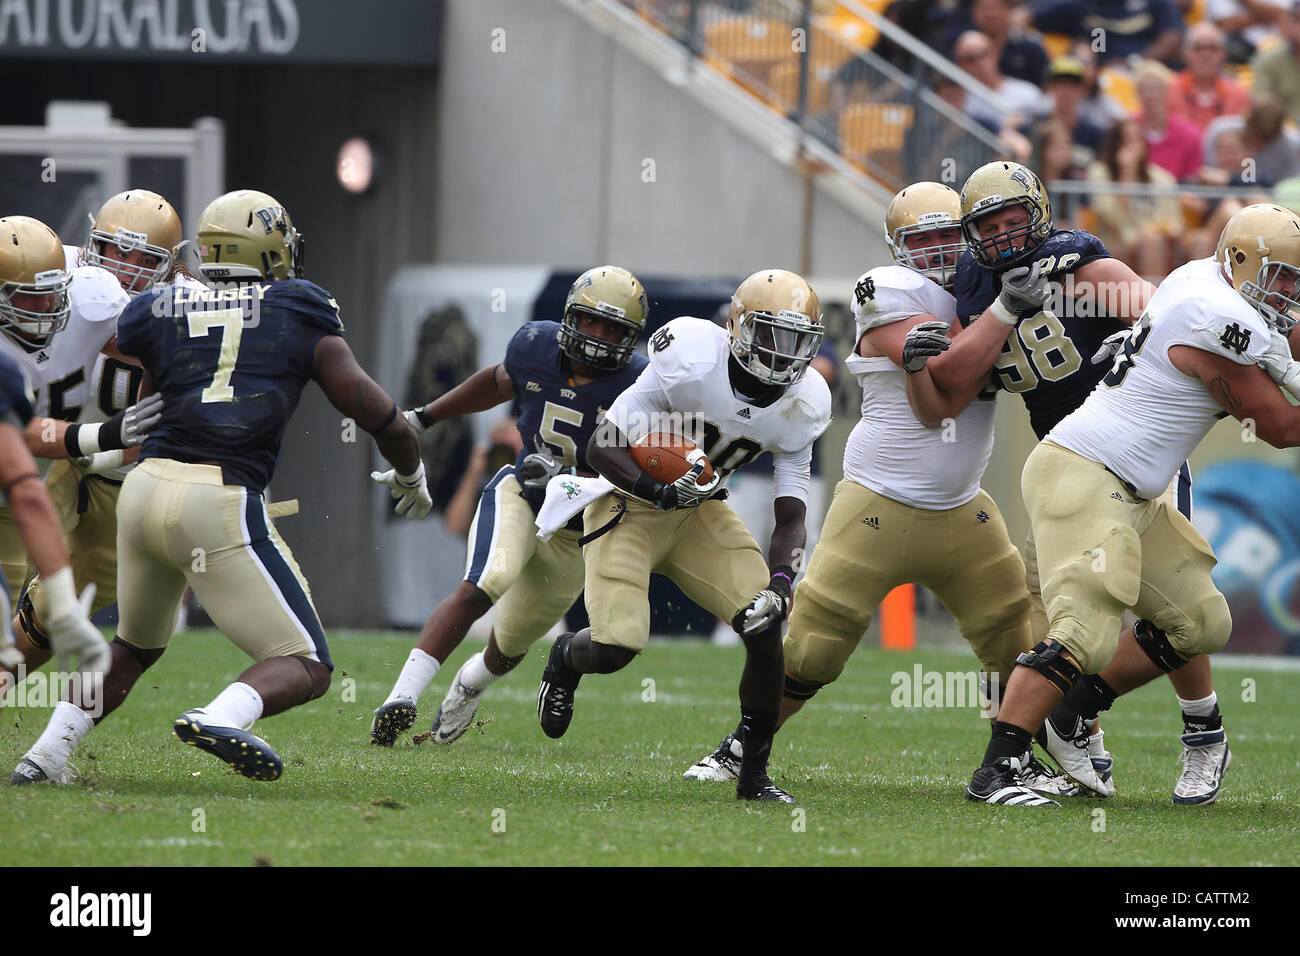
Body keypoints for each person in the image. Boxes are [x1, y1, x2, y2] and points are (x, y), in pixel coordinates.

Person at [11, 189, 432, 784]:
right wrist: (412, 471)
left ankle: (45, 757)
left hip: (141, 490)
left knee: (134, 646)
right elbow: (377, 413)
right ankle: (219, 715)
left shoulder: (156, 309)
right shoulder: (301, 307)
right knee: (307, 662)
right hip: (217, 498)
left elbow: (154, 404)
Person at [685, 183, 1069, 798]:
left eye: (951, 234)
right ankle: (741, 748)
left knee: (1012, 638)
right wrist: (1001, 315)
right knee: (816, 645)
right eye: (925, 239)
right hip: (879, 501)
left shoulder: (988, 279)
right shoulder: (890, 290)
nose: (942, 250)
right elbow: (944, 377)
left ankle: (1012, 760)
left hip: (964, 504)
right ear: (899, 249)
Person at [965, 202, 1300, 805]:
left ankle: (1071, 713)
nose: (1292, 293)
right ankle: (998, 768)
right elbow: (1280, 426)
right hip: (1085, 472)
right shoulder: (1215, 317)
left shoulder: (1203, 278)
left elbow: (1280, 346)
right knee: (1084, 631)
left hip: (1135, 490)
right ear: (1244, 264)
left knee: (1200, 621)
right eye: (1286, 278)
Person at [928, 162, 1234, 804]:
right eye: (991, 224)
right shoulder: (971, 287)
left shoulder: (1073, 263)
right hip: (1065, 463)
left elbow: (1157, 312)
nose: (1008, 235)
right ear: (973, 233)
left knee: (1159, 604)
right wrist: (998, 313)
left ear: (1039, 216)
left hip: (1131, 456)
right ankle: (1069, 738)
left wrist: (1130, 334)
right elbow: (951, 383)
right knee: (1058, 614)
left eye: (1017, 220)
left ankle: (1200, 728)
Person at [535, 269, 831, 803]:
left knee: (764, 625)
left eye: (796, 341)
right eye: (770, 335)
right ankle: (564, 659)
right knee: (615, 646)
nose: (783, 353)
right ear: (737, 327)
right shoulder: (692, 360)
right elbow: (603, 447)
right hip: (628, 499)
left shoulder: (804, 403)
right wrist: (658, 488)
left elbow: (790, 513)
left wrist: (783, 581)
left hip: (701, 512)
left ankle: (754, 775)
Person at [368, 266, 650, 746]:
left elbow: (637, 468)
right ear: (568, 319)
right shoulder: (536, 348)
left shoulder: (641, 384)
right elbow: (499, 381)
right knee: (486, 582)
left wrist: (574, 480)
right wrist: (426, 416)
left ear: (631, 337)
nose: (599, 337)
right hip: (521, 494)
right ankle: (402, 697)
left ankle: (468, 685)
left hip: (577, 530)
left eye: (613, 329)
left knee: (513, 640)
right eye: (590, 323)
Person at [10, 190, 205, 676]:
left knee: (55, 617)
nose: (127, 269)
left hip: (123, 475)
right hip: (46, 448)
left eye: (146, 259)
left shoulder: (190, 308)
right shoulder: (51, 270)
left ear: (172, 265)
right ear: (92, 242)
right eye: (116, 249)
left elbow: (177, 412)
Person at [1085, 118, 1184, 276]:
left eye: (1137, 139)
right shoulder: (1099, 173)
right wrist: (1126, 174)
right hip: (1117, 242)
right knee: (1152, 241)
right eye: (1125, 140)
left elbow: (1174, 223)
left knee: (1155, 241)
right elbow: (1111, 218)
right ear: (1114, 145)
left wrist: (1156, 233)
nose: (1132, 146)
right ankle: (1151, 297)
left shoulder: (1162, 178)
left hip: (1159, 241)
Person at [1169, 23, 1252, 134]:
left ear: (1224, 54)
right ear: (1185, 53)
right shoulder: (1168, 94)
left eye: (1213, 48)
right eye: (1198, 48)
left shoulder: (1239, 97)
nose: (1206, 54)